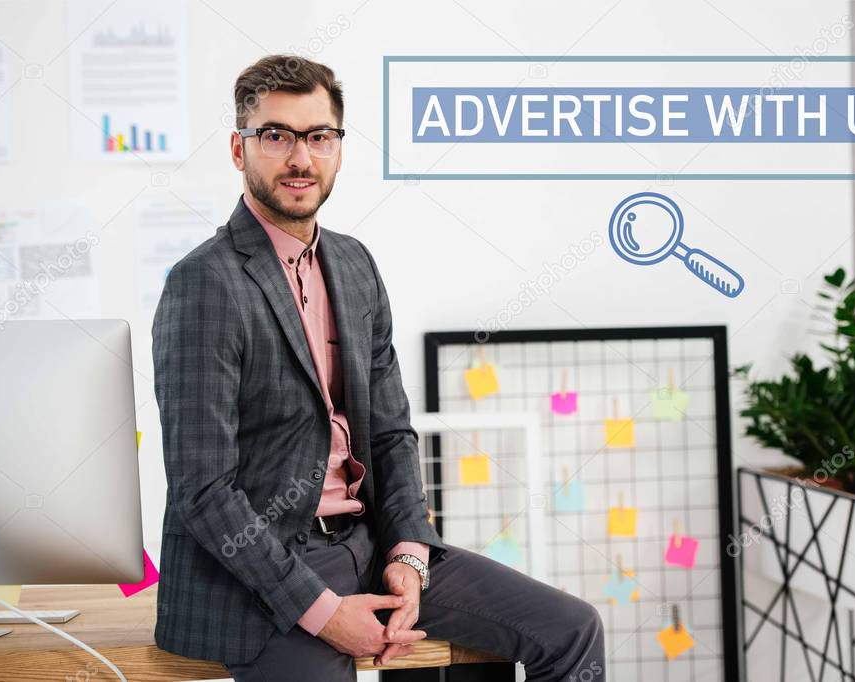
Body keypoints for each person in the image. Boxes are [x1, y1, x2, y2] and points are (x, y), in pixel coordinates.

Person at [151, 54, 605, 681]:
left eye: (318, 137)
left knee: (570, 630)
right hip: (263, 569)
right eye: (276, 136)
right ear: (238, 149)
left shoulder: (354, 264)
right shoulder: (203, 282)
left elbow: (391, 433)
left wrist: (409, 555)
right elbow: (204, 491)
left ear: (337, 148)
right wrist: (320, 609)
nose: (299, 158)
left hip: (367, 543)